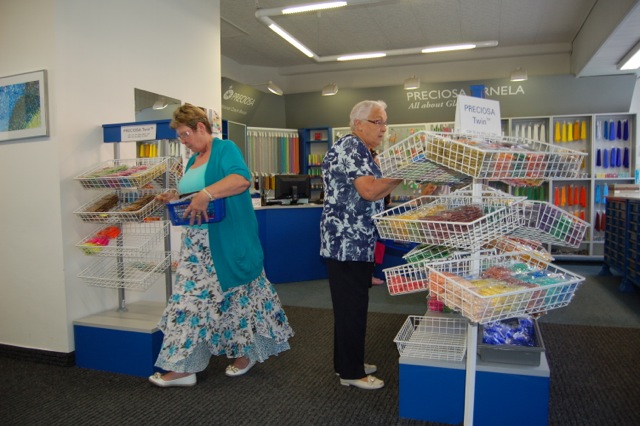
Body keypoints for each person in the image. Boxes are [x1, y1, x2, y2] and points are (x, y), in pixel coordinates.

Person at [149, 103, 294, 387]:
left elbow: (240, 180)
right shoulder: (192, 160)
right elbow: (195, 198)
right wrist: (175, 198)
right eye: (180, 136)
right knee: (187, 303)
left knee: (240, 299)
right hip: (196, 246)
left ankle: (246, 354)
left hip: (227, 242)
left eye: (185, 134)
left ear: (201, 127)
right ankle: (184, 367)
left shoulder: (225, 149)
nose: (184, 141)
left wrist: (206, 193)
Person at [320, 100, 402, 390]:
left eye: (384, 122)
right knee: (352, 308)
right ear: (358, 124)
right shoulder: (352, 146)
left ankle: (346, 363)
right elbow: (368, 191)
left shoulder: (361, 150)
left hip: (353, 242)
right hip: (347, 243)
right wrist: (404, 171)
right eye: (377, 122)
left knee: (349, 307)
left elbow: (373, 192)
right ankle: (352, 373)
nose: (383, 128)